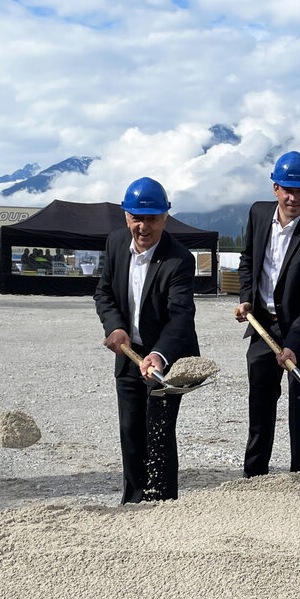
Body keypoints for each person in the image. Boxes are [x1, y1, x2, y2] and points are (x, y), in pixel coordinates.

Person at [94, 177, 199, 503]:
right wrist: (114, 327)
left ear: (165, 217)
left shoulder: (180, 259)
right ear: (126, 216)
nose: (142, 226)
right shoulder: (115, 243)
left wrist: (159, 355)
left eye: (151, 218)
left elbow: (180, 317)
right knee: (131, 433)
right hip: (129, 355)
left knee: (159, 434)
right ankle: (134, 501)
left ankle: (162, 504)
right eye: (136, 218)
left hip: (165, 361)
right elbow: (104, 293)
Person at [234, 151, 300, 477]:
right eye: (287, 190)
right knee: (260, 410)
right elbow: (248, 260)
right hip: (263, 326)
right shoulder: (257, 213)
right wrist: (246, 298)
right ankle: (254, 481)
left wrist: (293, 342)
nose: (294, 197)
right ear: (275, 188)